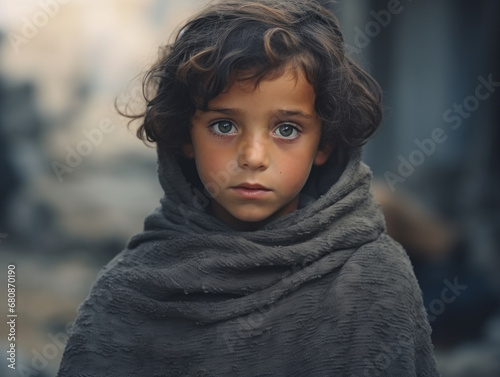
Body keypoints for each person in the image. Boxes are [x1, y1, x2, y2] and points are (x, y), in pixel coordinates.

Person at [57, 0, 439, 375]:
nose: (253, 156)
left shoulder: (368, 280)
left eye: (286, 129)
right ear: (184, 136)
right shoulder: (130, 291)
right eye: (224, 126)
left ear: (324, 144)